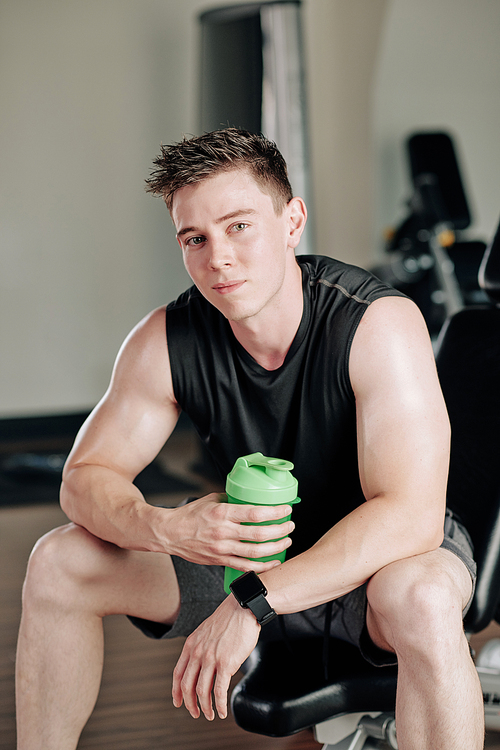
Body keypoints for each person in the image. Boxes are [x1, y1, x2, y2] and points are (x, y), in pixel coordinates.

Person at [16, 128, 484, 750]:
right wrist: (166, 528)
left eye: (239, 226)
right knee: (59, 562)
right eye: (195, 238)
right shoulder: (166, 339)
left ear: (291, 221)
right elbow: (85, 479)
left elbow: (410, 517)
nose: (219, 258)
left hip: (375, 567)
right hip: (250, 554)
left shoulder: (376, 323)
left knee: (423, 596)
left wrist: (252, 604)